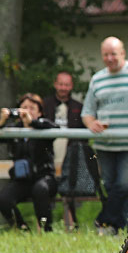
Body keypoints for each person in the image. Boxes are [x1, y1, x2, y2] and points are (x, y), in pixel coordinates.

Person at [82, 37, 128, 234]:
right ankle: (122, 228)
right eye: (106, 55)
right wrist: (92, 123)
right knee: (111, 186)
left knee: (125, 186)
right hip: (105, 145)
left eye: (113, 54)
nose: (110, 58)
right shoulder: (97, 79)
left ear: (123, 53)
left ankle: (105, 221)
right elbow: (87, 112)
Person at [0, 94, 58, 231]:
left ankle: (46, 229)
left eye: (32, 108)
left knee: (40, 189)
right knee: (3, 199)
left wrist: (32, 123)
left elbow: (55, 129)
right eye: (24, 107)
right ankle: (22, 229)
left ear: (39, 112)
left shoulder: (44, 126)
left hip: (44, 177)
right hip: (22, 179)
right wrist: (1, 121)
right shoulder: (15, 130)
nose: (27, 111)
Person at [42, 70, 87, 229]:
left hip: (71, 158)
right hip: (49, 156)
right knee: (47, 190)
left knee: (69, 193)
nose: (63, 88)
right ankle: (47, 225)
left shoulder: (79, 107)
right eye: (60, 84)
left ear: (71, 86)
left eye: (66, 84)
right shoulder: (44, 105)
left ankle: (71, 226)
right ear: (55, 84)